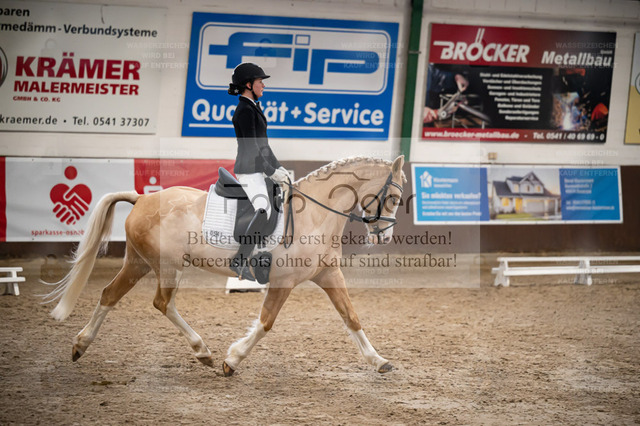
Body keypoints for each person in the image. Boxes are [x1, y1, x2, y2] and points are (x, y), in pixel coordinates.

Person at [227, 62, 290, 279]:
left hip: (258, 169)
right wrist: (271, 171)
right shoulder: (244, 110)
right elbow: (253, 148)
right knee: (264, 209)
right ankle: (240, 260)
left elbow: (264, 147)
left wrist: (278, 167)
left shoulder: (253, 107)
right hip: (248, 170)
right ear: (248, 85)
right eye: (260, 81)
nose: (263, 85)